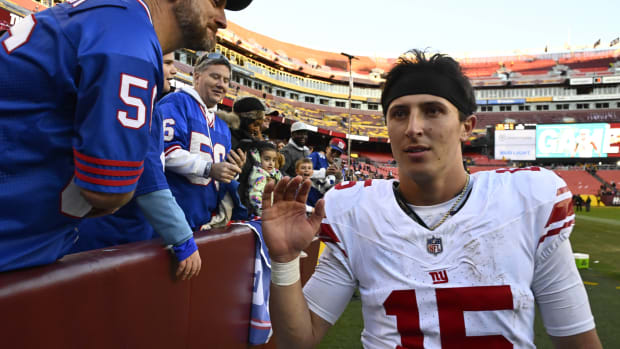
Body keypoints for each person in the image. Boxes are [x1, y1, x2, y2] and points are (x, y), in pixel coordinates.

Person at [261, 50, 601, 348]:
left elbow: (577, 340)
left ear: (467, 126)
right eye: (399, 114)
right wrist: (286, 261)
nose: (413, 127)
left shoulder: (529, 201)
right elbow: (298, 340)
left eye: (433, 110)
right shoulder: (353, 210)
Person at [0, 0, 253, 272]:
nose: (223, 20)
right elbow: (108, 191)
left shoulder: (114, 19)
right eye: (216, 2)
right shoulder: (130, 39)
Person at [71, 53, 201, 280]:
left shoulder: (147, 103)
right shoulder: (139, 102)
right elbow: (149, 177)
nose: (174, 71)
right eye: (168, 63)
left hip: (117, 226)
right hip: (110, 231)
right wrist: (182, 237)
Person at [159, 52, 246, 231]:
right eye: (215, 77)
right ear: (197, 76)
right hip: (170, 223)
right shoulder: (176, 102)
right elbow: (164, 152)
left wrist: (233, 170)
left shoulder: (222, 126)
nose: (221, 84)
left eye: (226, 80)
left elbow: (219, 177)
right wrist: (209, 169)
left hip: (204, 222)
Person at [239, 141, 281, 216]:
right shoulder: (258, 175)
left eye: (273, 160)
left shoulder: (275, 173)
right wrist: (262, 212)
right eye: (267, 159)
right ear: (258, 158)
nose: (271, 163)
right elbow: (255, 195)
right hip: (263, 212)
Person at [308, 137, 345, 205]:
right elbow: (304, 173)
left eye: (338, 153)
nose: (335, 154)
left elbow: (337, 191)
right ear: (327, 149)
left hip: (322, 205)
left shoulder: (339, 168)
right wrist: (325, 173)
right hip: (307, 199)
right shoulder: (316, 156)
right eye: (333, 150)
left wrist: (339, 178)